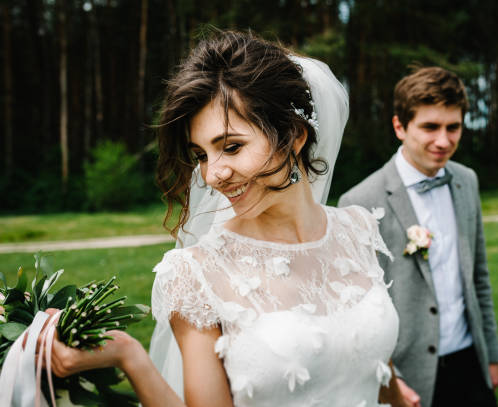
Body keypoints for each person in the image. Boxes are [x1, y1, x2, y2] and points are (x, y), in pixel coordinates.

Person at [48, 30, 402, 406]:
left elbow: (363, 351)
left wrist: (397, 392)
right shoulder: (195, 275)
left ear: (295, 136)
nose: (212, 174)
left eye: (231, 147)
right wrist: (130, 357)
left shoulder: (358, 229)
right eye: (201, 155)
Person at [338, 67, 498, 407]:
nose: (444, 141)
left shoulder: (466, 181)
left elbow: (479, 277)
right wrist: (392, 379)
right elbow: (358, 312)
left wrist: (491, 356)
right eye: (430, 127)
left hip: (471, 362)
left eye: (453, 127)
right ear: (400, 126)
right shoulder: (359, 202)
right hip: (409, 374)